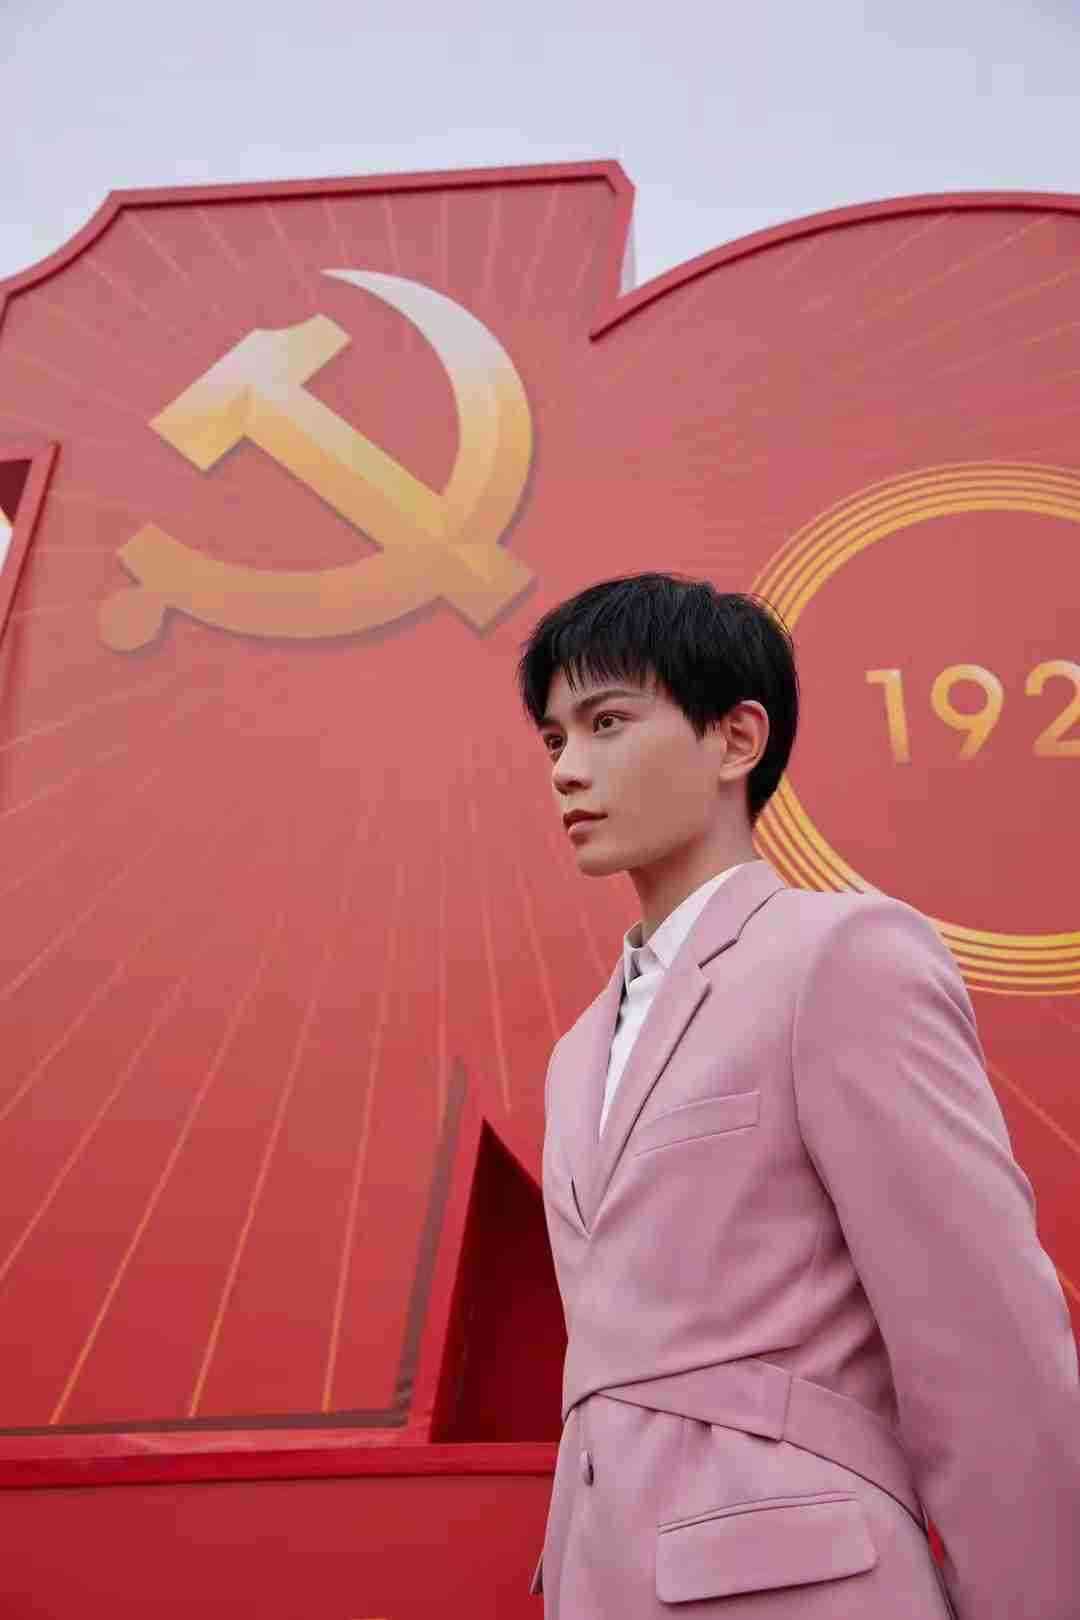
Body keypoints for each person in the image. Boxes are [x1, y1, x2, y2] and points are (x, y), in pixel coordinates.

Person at [514, 571, 1080, 1619]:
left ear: (736, 739)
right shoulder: (577, 1053)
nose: (567, 769)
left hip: (801, 1583)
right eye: (554, 740)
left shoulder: (840, 957)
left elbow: (986, 1342)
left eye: (606, 723)